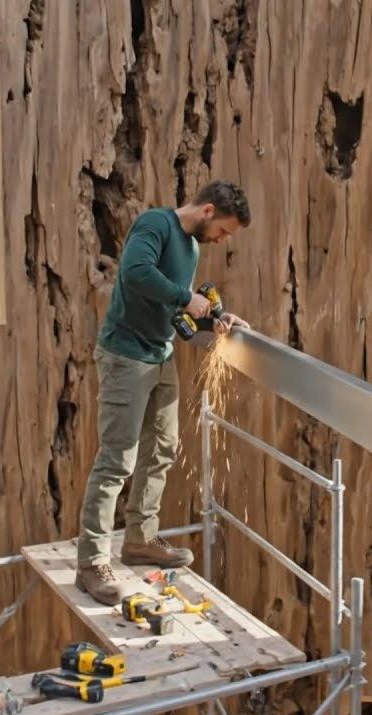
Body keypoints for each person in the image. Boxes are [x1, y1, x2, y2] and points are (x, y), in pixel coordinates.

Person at [77, 180, 252, 605]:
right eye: (223, 230)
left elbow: (176, 308)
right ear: (208, 211)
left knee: (162, 448)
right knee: (116, 460)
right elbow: (136, 273)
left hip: (160, 355)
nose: (222, 240)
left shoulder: (190, 248)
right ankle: (91, 564)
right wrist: (184, 296)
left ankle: (140, 539)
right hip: (126, 357)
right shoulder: (155, 224)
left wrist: (216, 320)